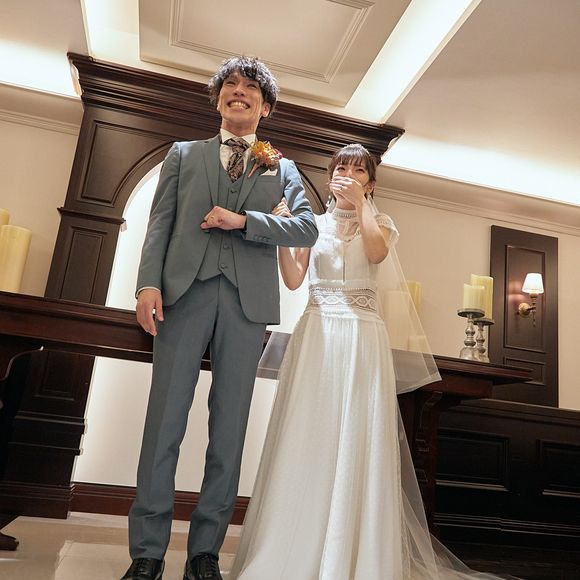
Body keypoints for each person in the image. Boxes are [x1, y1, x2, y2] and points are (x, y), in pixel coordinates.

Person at [229, 144, 515, 579]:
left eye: (358, 170)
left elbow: (377, 253)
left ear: (371, 183)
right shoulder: (313, 224)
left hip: (362, 333)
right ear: (329, 177)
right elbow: (293, 278)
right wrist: (286, 234)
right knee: (310, 428)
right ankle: (293, 547)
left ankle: (353, 552)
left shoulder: (381, 223)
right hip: (318, 330)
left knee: (357, 431)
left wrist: (361, 204)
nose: (347, 174)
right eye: (340, 167)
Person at [121, 56, 318, 580]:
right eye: (230, 84)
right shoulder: (183, 154)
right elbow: (159, 224)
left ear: (265, 107)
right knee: (163, 423)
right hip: (183, 296)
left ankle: (204, 553)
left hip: (246, 306)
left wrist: (243, 220)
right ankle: (147, 553)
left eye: (251, 88)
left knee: (229, 430)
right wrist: (147, 284)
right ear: (218, 99)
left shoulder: (283, 168)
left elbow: (306, 229)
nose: (239, 92)